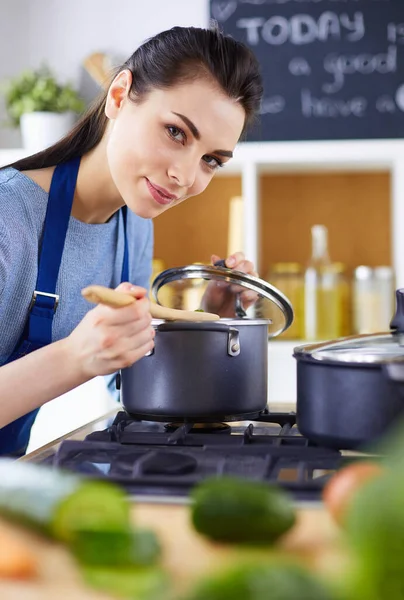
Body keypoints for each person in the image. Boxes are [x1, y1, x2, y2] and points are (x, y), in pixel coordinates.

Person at [0, 25, 263, 455]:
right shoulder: (8, 219)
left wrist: (206, 322)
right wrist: (73, 358)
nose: (185, 176)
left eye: (211, 160)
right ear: (120, 95)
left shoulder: (132, 225)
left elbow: (130, 388)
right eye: (176, 132)